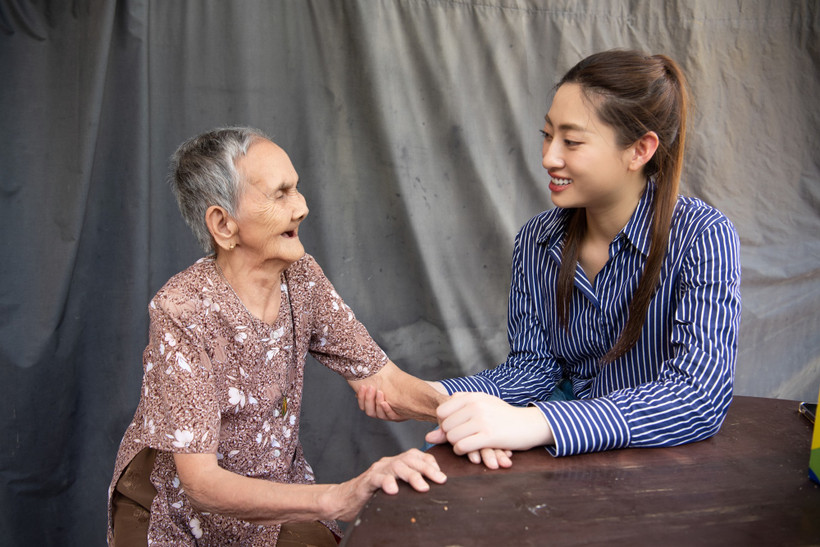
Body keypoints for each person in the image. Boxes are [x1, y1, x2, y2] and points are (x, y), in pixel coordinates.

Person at [363, 49, 742, 467]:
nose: (549, 158)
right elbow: (533, 369)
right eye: (547, 135)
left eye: (572, 141)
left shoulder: (703, 237)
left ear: (639, 150)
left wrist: (538, 423)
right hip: (559, 463)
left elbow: (697, 398)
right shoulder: (536, 240)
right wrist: (434, 394)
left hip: (656, 463)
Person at [107, 127, 449, 546]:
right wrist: (339, 497)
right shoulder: (181, 310)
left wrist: (457, 415)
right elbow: (201, 483)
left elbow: (383, 380)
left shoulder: (302, 279)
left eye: (297, 189)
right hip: (174, 510)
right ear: (223, 224)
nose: (302, 207)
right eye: (281, 194)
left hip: (270, 491)